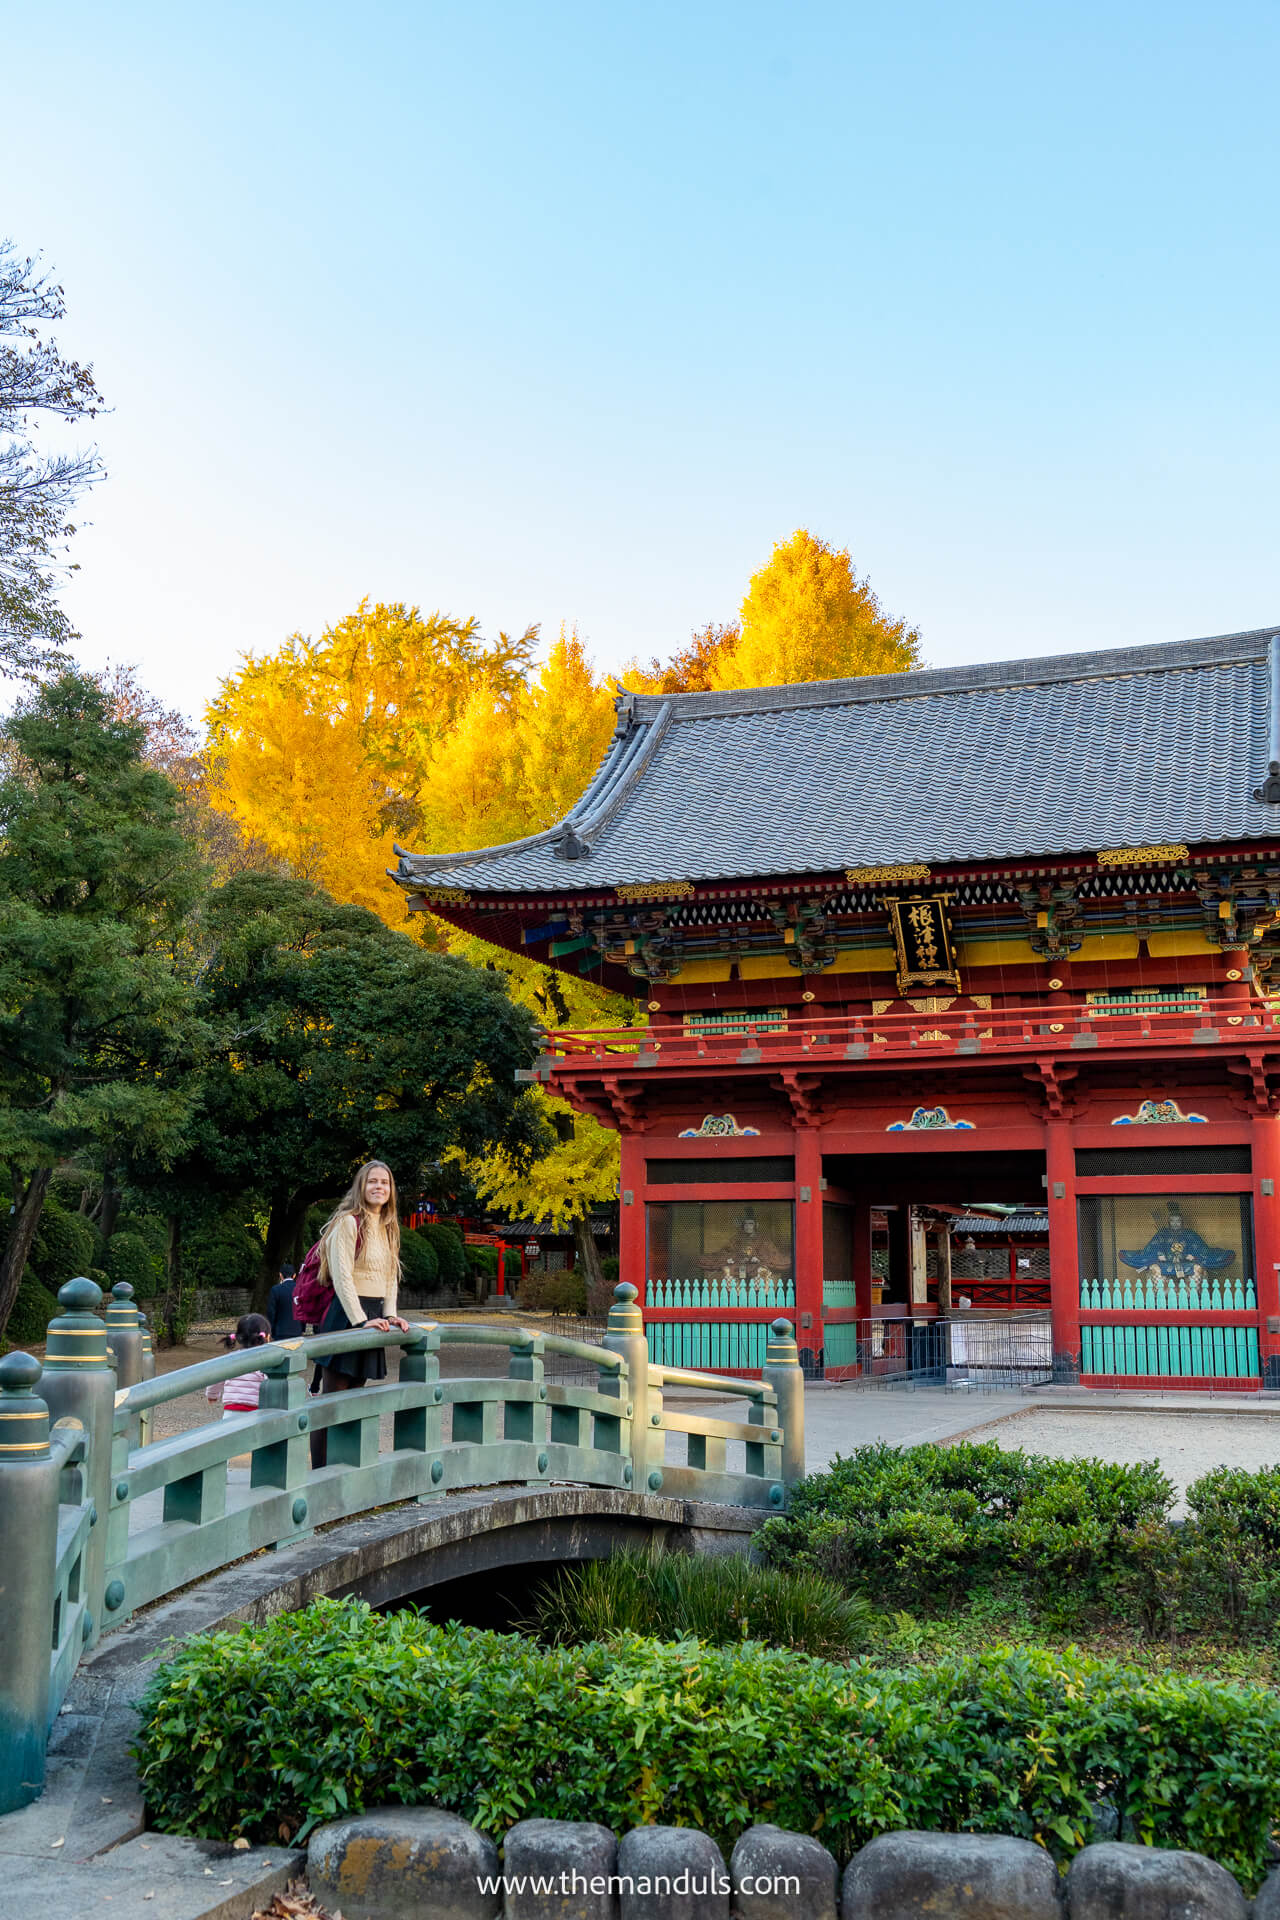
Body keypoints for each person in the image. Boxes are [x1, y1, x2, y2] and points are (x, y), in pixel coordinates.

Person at [310, 1160, 409, 1466]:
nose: (379, 1187)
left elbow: (390, 1274)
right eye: (372, 1182)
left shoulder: (389, 1227)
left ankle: (346, 1468)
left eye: (385, 1182)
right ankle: (321, 1473)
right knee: (333, 1401)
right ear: (361, 1187)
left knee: (355, 1398)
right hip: (347, 1314)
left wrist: (391, 1314)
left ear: (391, 1190)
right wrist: (361, 1320)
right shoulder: (348, 1222)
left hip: (375, 1313)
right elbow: (342, 1276)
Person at [206, 1313, 272, 1418]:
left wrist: (212, 1395)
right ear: (267, 1337)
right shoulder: (265, 1360)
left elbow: (216, 1376)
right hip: (256, 1413)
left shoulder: (230, 1359)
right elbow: (270, 1383)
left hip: (231, 1412)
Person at [266, 1262, 305, 1339]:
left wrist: (271, 1330)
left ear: (280, 1275)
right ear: (294, 1275)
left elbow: (271, 1312)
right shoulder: (301, 1289)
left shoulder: (275, 1290)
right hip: (297, 1330)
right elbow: (303, 1310)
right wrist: (302, 1328)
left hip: (280, 1332)